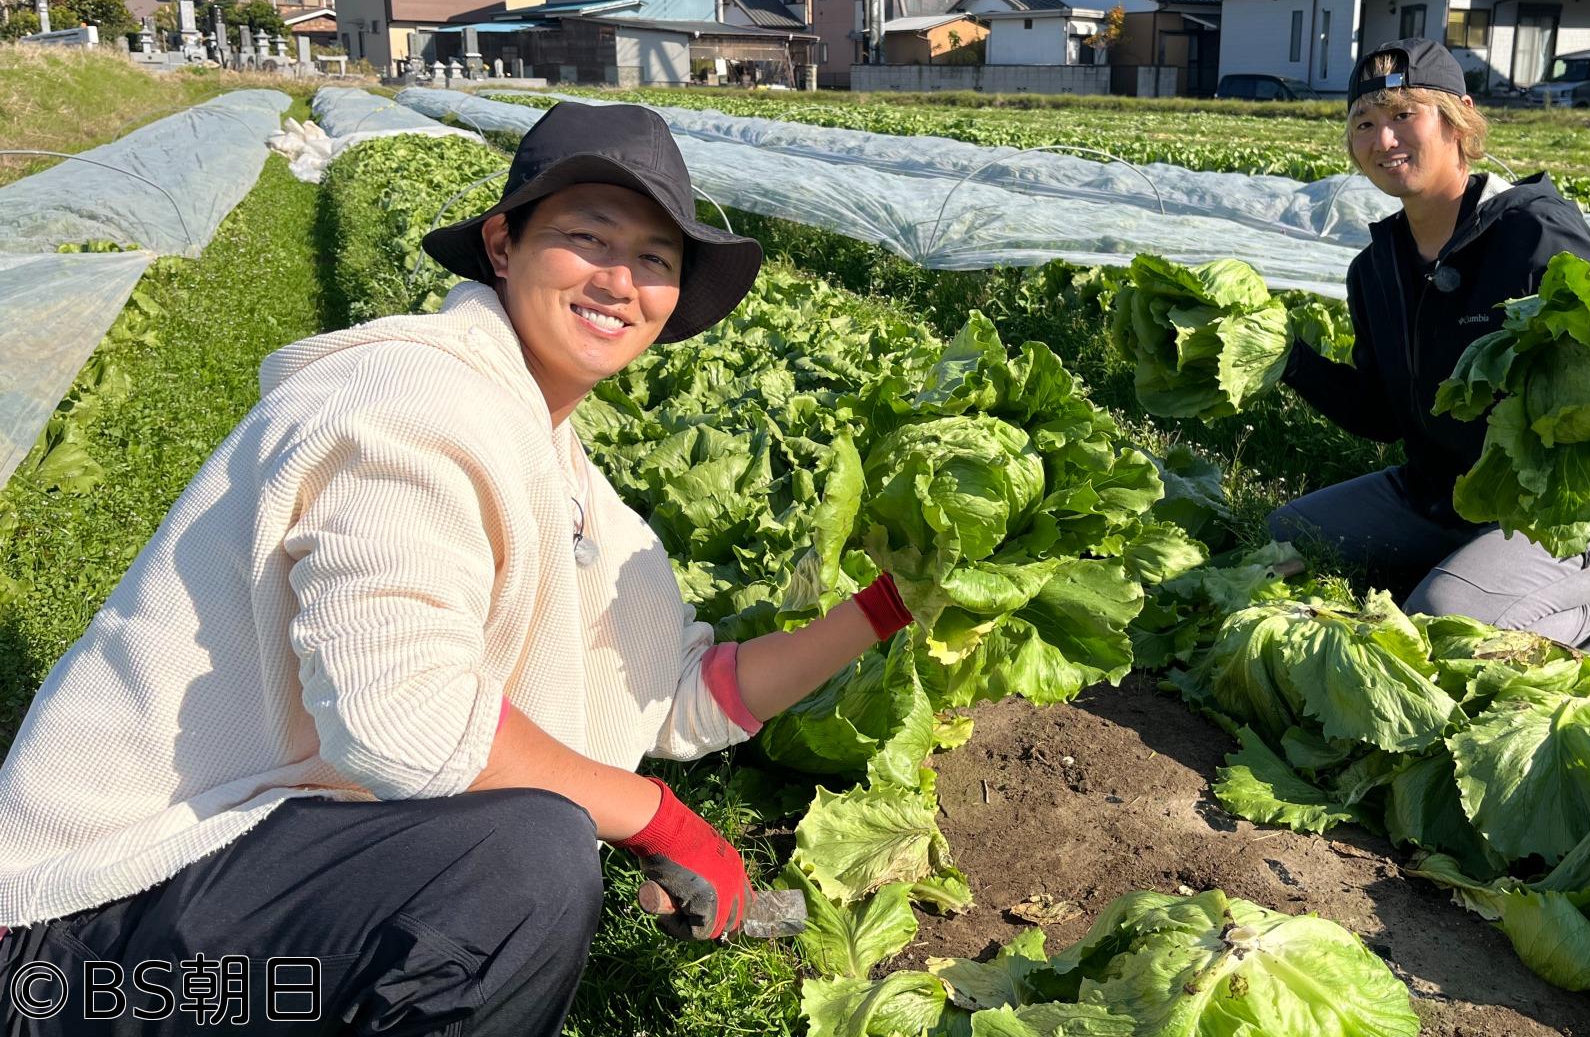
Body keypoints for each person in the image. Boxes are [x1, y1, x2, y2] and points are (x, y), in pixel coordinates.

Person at [0, 102, 915, 1034]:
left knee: (532, 840)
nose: (619, 280)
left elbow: (675, 691)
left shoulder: (565, 473)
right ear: (503, 246)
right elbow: (401, 721)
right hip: (75, 950)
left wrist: (883, 610)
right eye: (586, 237)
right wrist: (654, 816)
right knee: (525, 859)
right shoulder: (417, 402)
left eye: (655, 259)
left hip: (227, 905)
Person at [1270, 38, 1590, 683]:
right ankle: (1470, 570)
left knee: (1441, 622)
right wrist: (1289, 361)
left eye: (1403, 115)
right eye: (1364, 123)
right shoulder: (1376, 269)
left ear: (1457, 121)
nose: (1382, 138)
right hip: (1448, 494)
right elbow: (1380, 416)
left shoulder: (1533, 235)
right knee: (1289, 538)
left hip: (1571, 509)